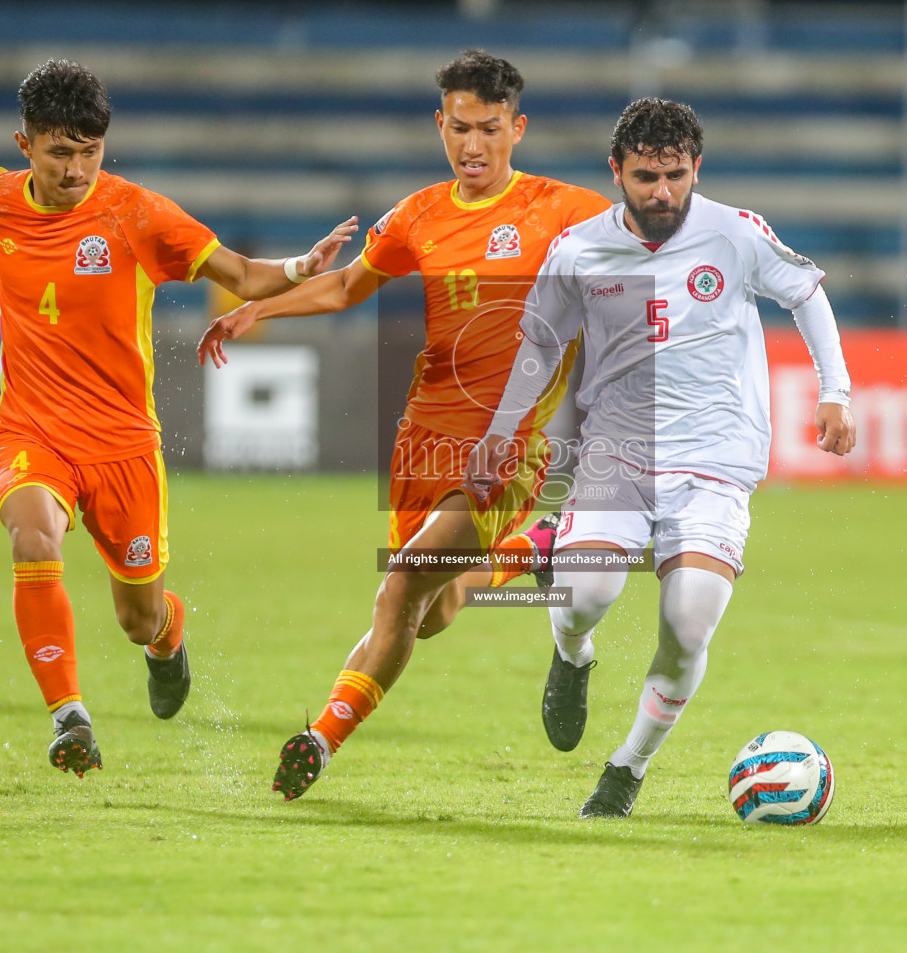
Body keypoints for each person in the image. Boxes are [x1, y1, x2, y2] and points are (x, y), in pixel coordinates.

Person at [0, 59, 357, 777]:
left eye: (89, 152)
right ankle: (71, 718)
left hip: (123, 444)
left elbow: (242, 276)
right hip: (33, 428)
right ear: (24, 144)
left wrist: (302, 266)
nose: (75, 169)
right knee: (32, 539)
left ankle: (166, 637)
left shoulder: (135, 213)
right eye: (59, 153)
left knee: (137, 617)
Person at [198, 49, 612, 800]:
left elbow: (659, 240)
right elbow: (352, 283)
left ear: (517, 128)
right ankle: (539, 551)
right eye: (460, 129)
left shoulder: (568, 211)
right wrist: (263, 304)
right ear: (440, 124)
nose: (473, 146)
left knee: (397, 590)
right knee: (432, 611)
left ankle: (320, 740)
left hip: (506, 449)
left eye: (489, 129)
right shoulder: (419, 214)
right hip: (423, 439)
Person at [467, 98, 857, 818]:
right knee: (585, 598)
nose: (662, 193)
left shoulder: (735, 234)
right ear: (617, 171)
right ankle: (572, 655)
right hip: (617, 452)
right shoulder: (580, 249)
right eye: (646, 176)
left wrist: (837, 390)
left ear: (694, 168)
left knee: (690, 619)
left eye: (675, 176)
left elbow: (806, 293)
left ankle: (626, 770)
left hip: (715, 456)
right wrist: (500, 431)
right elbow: (540, 345)